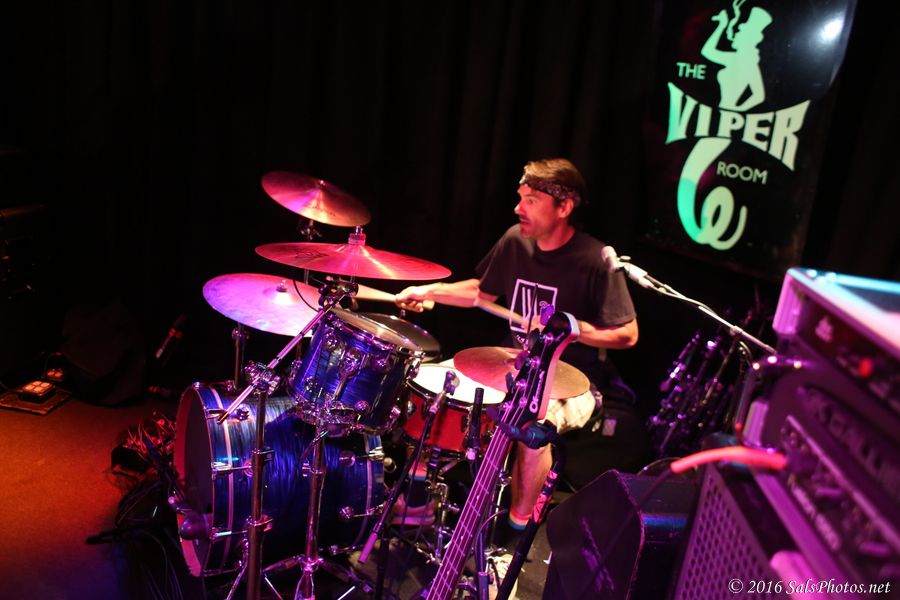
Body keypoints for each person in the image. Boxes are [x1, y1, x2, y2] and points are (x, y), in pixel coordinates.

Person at [395, 158, 639, 549]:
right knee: (431, 388)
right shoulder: (515, 241)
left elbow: (627, 335)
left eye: (531, 200)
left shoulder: (594, 259)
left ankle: (513, 537)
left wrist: (567, 329)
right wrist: (428, 292)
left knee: (531, 426)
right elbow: (480, 292)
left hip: (573, 382)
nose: (518, 208)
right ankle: (418, 502)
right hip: (511, 367)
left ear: (564, 207)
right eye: (520, 197)